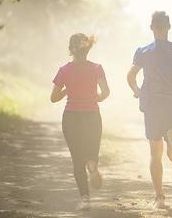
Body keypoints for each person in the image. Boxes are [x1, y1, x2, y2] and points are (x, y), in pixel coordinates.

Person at [127, 11, 172, 208]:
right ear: (169, 27)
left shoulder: (142, 51)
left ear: (151, 27)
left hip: (152, 105)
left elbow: (130, 76)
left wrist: (138, 91)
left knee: (155, 153)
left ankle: (159, 197)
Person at [51, 33, 110, 211]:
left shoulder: (64, 70)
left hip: (71, 118)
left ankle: (85, 199)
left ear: (70, 49)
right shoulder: (96, 68)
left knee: (77, 159)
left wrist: (68, 90)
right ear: (88, 48)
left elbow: (54, 98)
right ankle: (92, 163)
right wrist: (96, 98)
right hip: (92, 116)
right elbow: (106, 92)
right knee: (91, 154)